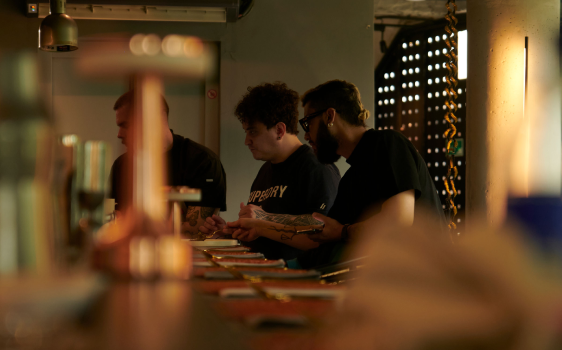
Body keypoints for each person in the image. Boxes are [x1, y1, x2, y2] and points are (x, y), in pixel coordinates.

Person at [223, 80, 446, 268]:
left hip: (421, 286)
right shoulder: (351, 177)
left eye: (308, 123)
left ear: (330, 116)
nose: (306, 135)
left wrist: (342, 232)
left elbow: (398, 223)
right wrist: (256, 225)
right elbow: (320, 229)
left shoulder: (388, 144)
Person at [200, 82, 340, 260]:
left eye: (253, 132)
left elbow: (321, 239)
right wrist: (230, 232)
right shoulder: (266, 169)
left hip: (295, 274)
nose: (246, 141)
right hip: (261, 269)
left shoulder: (317, 168)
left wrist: (263, 221)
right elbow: (261, 234)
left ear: (279, 130)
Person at [109, 90, 227, 238]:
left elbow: (196, 229)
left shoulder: (203, 161)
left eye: (126, 125)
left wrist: (133, 227)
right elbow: (115, 222)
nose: (119, 134)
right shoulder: (121, 165)